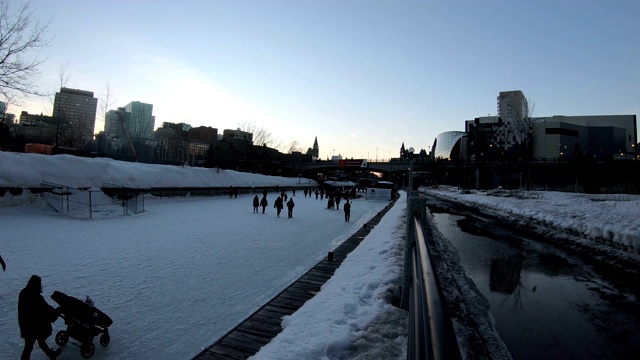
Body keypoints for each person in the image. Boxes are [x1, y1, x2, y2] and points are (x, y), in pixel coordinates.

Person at [18, 275, 62, 360]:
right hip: (32, 325)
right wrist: (57, 311)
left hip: (26, 323)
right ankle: (51, 355)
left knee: (38, 340)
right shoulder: (36, 296)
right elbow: (45, 309)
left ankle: (51, 355)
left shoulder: (24, 292)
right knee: (29, 346)